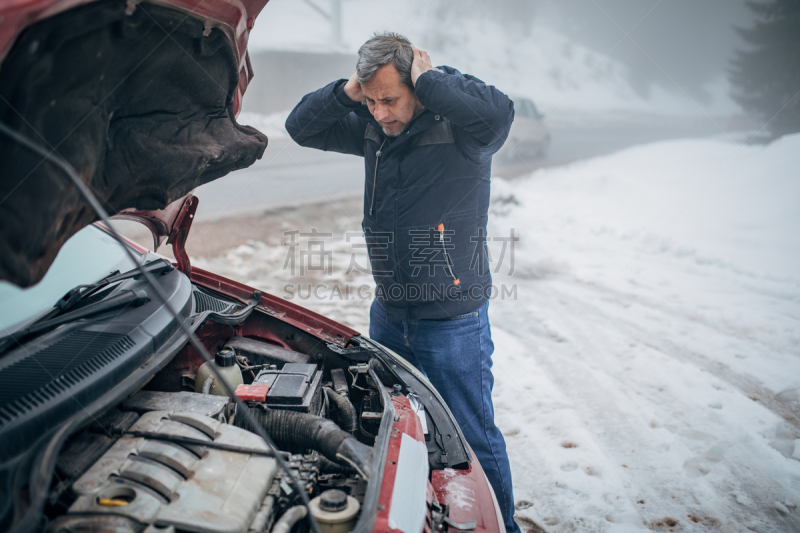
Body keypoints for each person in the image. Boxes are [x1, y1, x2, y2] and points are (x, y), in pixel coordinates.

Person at [286, 32, 518, 532]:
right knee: (398, 433)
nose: (381, 113)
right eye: (370, 102)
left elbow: (501, 113)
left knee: (471, 440)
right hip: (389, 315)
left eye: (390, 99)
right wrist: (348, 94)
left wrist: (431, 82)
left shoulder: (460, 126)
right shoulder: (373, 126)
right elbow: (299, 127)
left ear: (416, 82)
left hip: (452, 321)